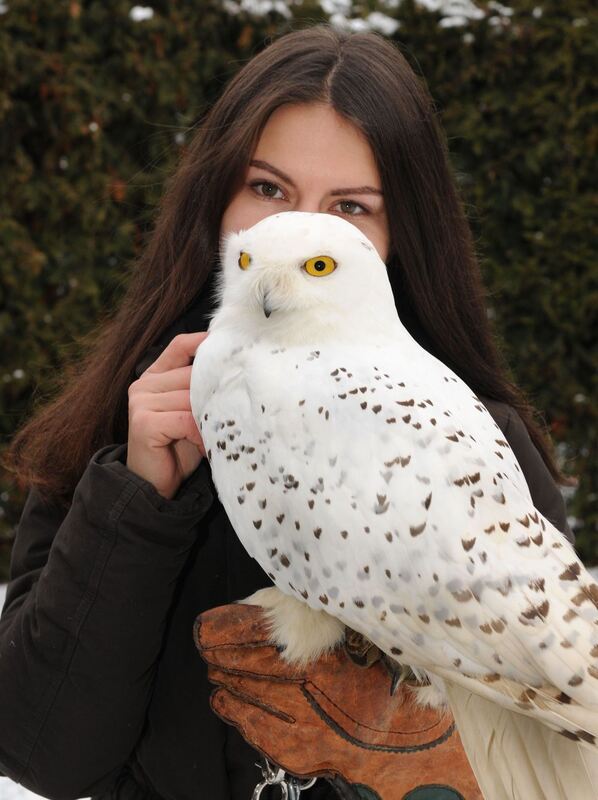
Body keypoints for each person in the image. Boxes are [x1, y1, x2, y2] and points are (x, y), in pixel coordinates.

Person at [0, 22, 573, 800]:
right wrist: (134, 503)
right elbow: (41, 753)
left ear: (398, 235)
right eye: (267, 189)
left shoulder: (468, 435)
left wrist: (432, 756)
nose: (295, 235)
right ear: (215, 201)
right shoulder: (121, 427)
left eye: (350, 208)